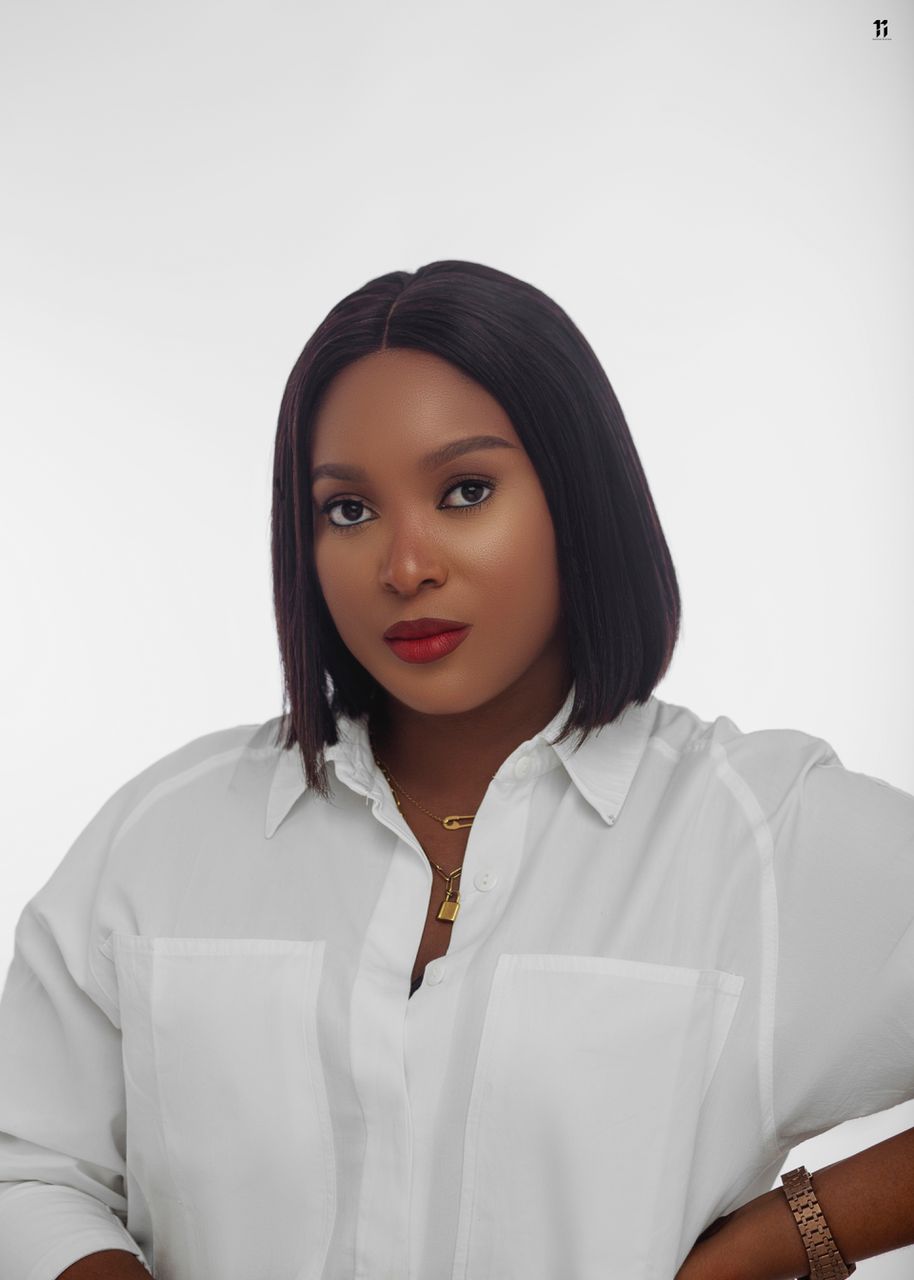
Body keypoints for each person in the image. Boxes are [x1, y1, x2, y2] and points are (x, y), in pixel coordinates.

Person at [0, 259, 912, 1279]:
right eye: (349, 510)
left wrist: (789, 1233)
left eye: (465, 491)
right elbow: (26, 1161)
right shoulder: (167, 837)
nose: (405, 566)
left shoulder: (753, 834)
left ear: (576, 497)